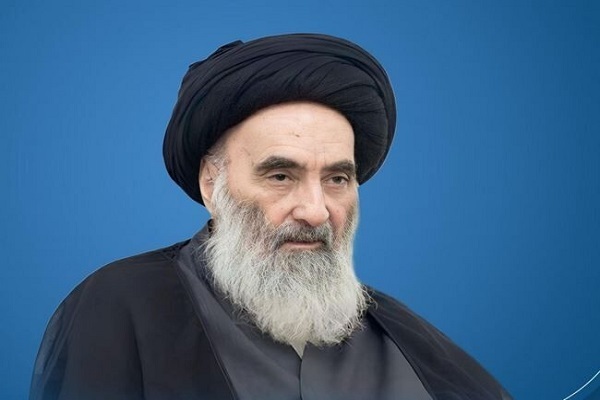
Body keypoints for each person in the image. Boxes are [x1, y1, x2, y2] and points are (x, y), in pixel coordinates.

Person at [30, 33, 511, 400]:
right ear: (212, 185)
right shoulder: (120, 305)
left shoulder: (415, 344)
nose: (315, 210)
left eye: (337, 179)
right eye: (281, 175)